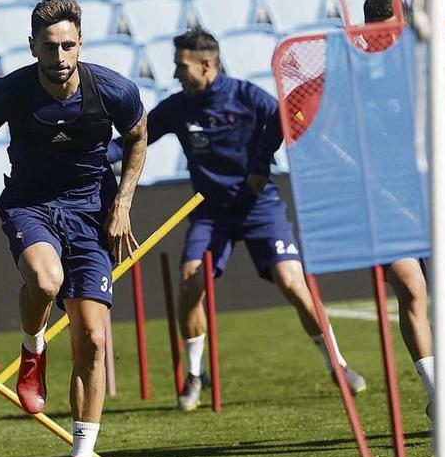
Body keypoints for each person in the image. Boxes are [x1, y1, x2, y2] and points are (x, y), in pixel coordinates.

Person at [252, 0, 445, 420]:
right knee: (411, 286)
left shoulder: (425, 68)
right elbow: (287, 108)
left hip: (438, 199)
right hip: (380, 203)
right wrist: (261, 163)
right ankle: (439, 394)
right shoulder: (347, 71)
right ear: (370, 31)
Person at [107, 29, 367, 413]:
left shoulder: (247, 96)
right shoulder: (176, 107)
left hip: (259, 205)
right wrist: (92, 156)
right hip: (211, 212)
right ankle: (196, 375)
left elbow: (288, 121)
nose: (176, 74)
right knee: (189, 281)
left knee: (293, 283)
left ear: (207, 64)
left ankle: (337, 365)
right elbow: (133, 141)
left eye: (181, 66)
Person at [0, 0, 146, 457]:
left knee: (93, 340)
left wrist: (122, 205)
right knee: (44, 280)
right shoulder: (9, 91)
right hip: (31, 204)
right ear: (33, 47)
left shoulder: (113, 90)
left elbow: (139, 137)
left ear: (80, 43)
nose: (59, 57)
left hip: (92, 212)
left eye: (67, 46)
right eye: (49, 47)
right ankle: (33, 349)